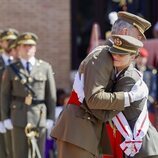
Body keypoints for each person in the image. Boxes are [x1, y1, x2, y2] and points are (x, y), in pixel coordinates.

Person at [51, 11, 151, 158]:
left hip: (87, 131)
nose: (139, 42)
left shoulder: (111, 56)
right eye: (137, 36)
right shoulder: (102, 56)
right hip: (78, 130)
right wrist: (129, 97)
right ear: (124, 32)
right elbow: (94, 98)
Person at [1, 32, 57, 158]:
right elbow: (5, 95)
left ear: (35, 48)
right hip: (18, 117)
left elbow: (51, 96)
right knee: (19, 154)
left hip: (39, 117)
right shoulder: (11, 69)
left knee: (38, 154)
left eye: (30, 46)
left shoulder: (45, 67)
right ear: (19, 48)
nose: (27, 48)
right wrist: (5, 118)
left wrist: (51, 118)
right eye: (24, 45)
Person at [109, 35, 158, 158]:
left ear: (132, 57)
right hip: (136, 141)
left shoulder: (131, 76)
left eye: (121, 55)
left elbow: (153, 89)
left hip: (143, 142)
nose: (115, 57)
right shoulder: (127, 73)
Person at [0, 28, 19, 158]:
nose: (11, 43)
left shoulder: (19, 63)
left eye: (13, 41)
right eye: (8, 41)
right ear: (1, 43)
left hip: (17, 112)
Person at [135, 48, 158, 127]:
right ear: (135, 58)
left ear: (146, 59)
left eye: (143, 58)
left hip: (148, 107)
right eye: (139, 57)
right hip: (134, 108)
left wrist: (147, 103)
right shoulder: (132, 71)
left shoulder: (151, 72)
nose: (141, 60)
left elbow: (154, 90)